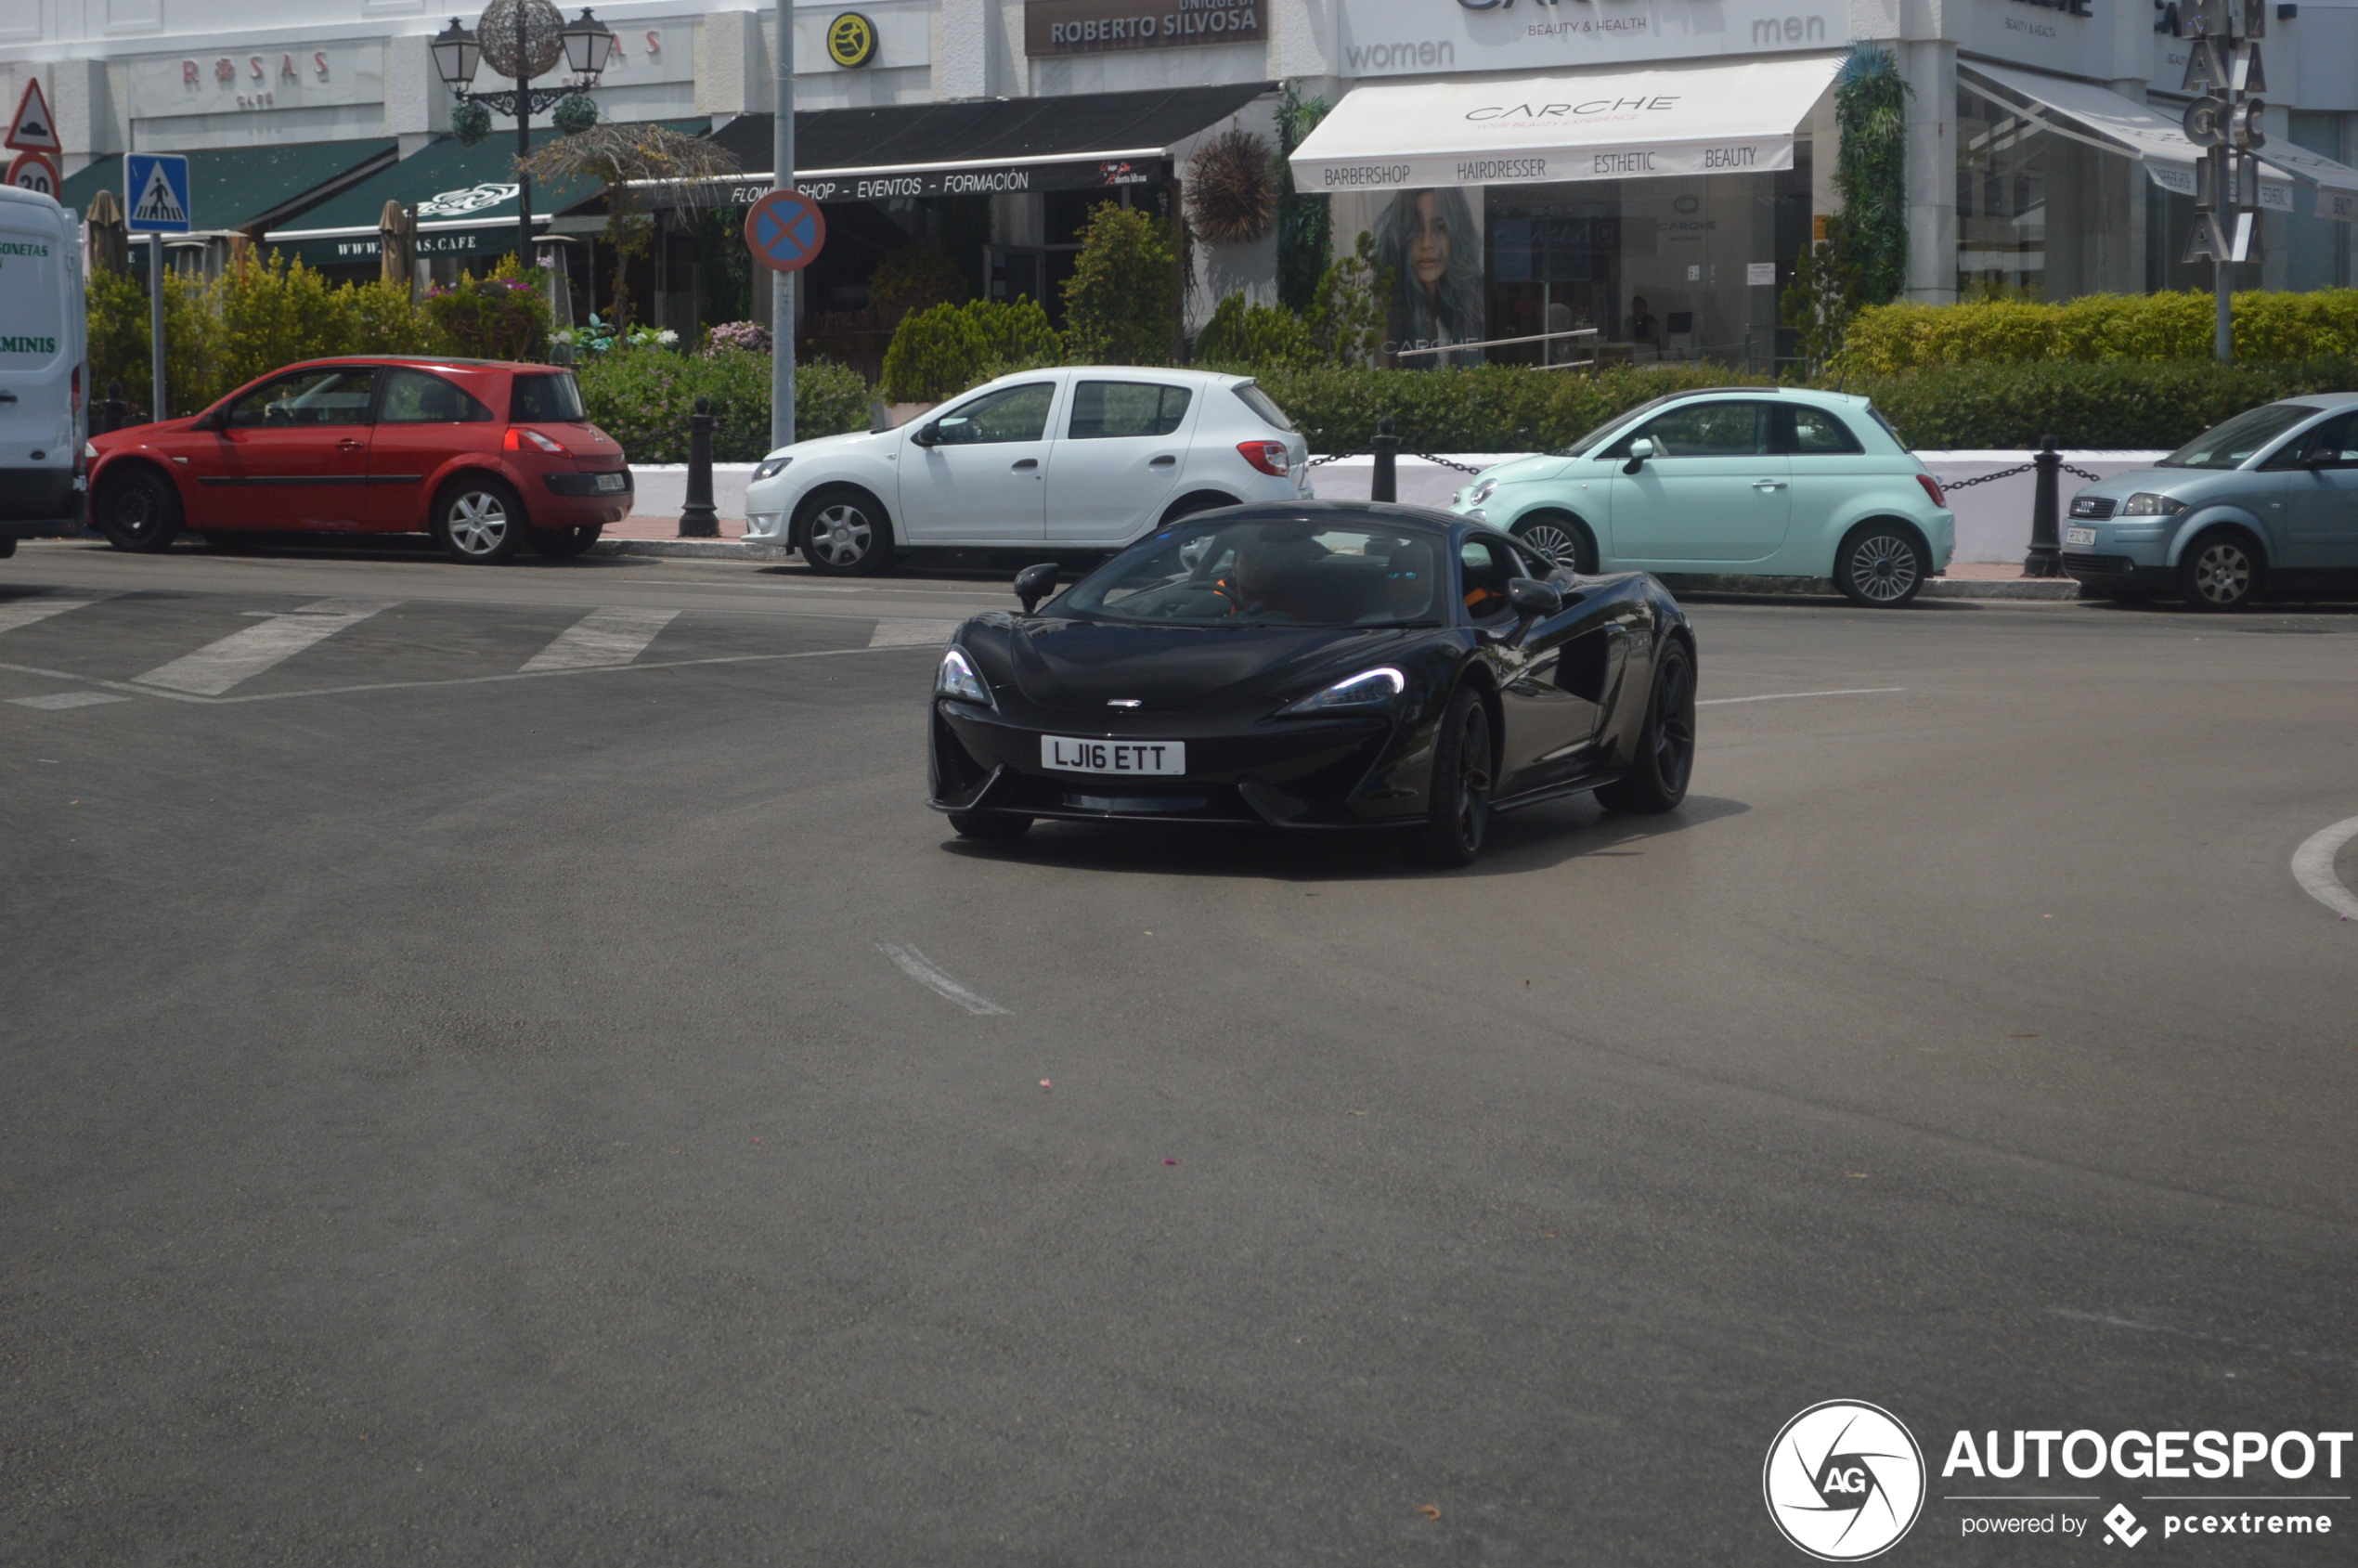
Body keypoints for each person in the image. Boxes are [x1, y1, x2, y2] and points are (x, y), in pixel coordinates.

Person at [1375, 188, 1485, 369]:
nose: (1427, 243)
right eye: (1415, 228)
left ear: (1457, 232)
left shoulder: (1473, 303)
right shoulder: (1386, 306)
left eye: (1440, 228)